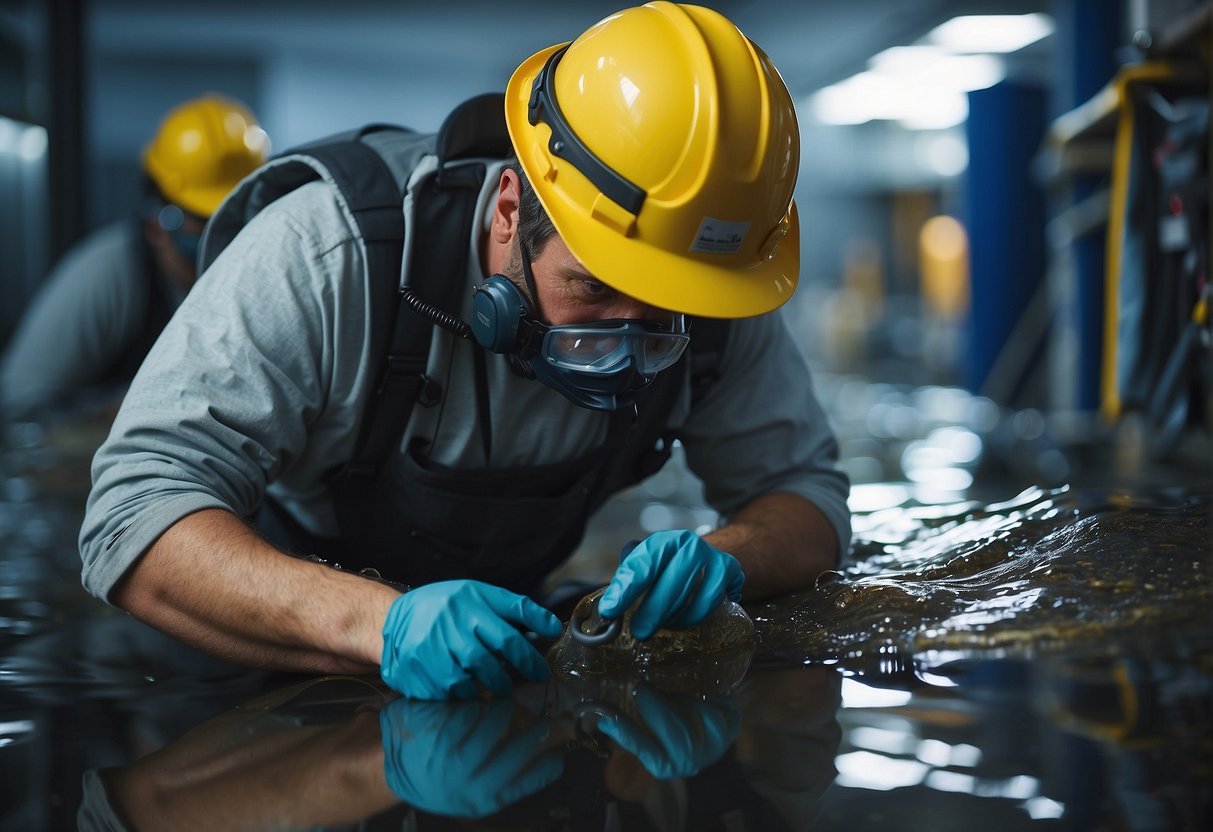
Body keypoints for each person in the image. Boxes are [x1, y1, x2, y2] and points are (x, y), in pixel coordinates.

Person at [79, 2, 851, 700]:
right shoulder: (328, 254)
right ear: (512, 209)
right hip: (281, 639)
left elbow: (806, 496)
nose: (622, 343)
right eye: (592, 290)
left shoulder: (709, 286)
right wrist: (377, 627)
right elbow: (134, 516)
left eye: (662, 305)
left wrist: (729, 557)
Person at [0, 94, 268, 420]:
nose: (225, 237)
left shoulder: (259, 282)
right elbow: (19, 404)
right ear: (158, 223)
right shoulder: (108, 274)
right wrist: (133, 407)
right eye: (206, 221)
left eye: (238, 217)